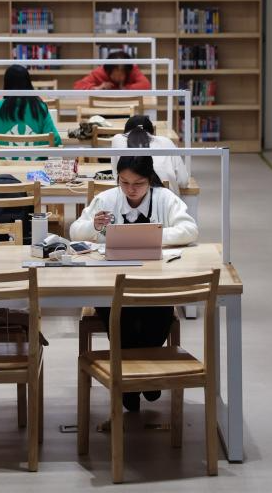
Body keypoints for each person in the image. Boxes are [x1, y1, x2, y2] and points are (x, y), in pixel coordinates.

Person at [70, 155, 198, 412]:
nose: (131, 190)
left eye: (138, 183)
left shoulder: (164, 198)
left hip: (155, 283)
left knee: (157, 314)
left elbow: (190, 230)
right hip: (111, 283)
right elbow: (75, 231)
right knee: (119, 316)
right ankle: (141, 381)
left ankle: (134, 381)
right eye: (124, 182)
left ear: (150, 179)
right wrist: (93, 226)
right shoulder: (107, 199)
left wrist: (152, 235)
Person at [0, 64, 61, 151]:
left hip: (2, 160)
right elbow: (55, 141)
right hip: (36, 160)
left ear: (6, 84)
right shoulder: (40, 107)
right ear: (28, 83)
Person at [109, 115, 190, 190]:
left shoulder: (117, 139)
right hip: (167, 198)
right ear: (152, 133)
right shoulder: (166, 141)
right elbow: (183, 181)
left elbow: (117, 177)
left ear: (126, 132)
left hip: (130, 198)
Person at [73, 50, 150, 90]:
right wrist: (98, 88)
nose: (117, 78)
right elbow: (77, 86)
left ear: (127, 72)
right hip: (103, 108)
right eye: (114, 75)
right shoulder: (100, 72)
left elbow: (146, 85)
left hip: (128, 106)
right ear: (108, 72)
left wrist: (126, 88)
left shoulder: (132, 70)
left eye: (121, 75)